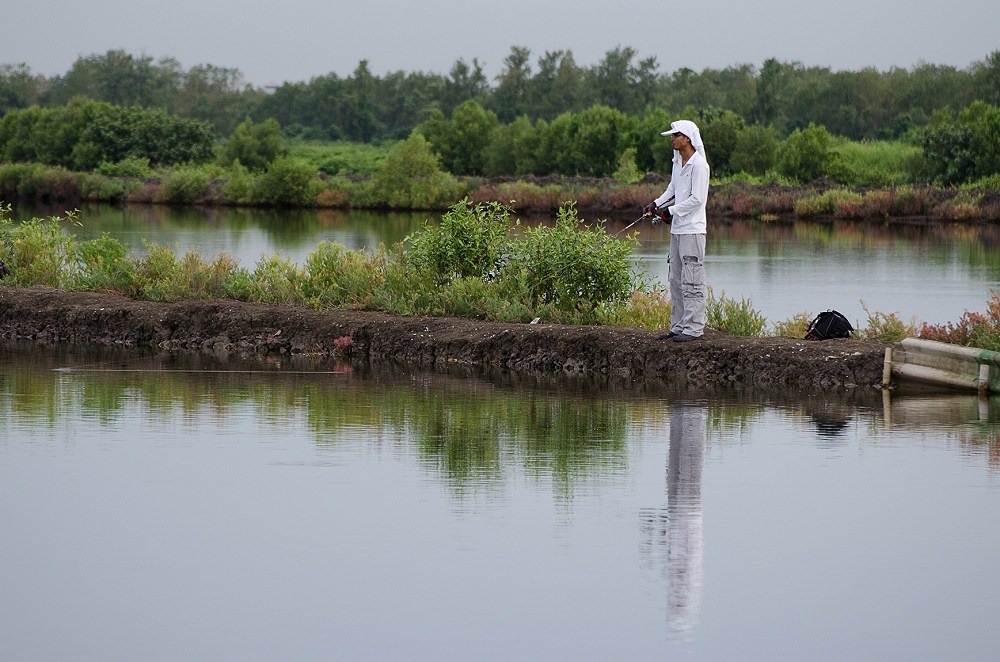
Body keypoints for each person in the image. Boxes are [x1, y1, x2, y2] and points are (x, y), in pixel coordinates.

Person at [643, 119, 710, 342]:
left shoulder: (699, 165)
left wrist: (670, 211)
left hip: (692, 231)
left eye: (675, 135)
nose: (672, 138)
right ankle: (679, 326)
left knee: (692, 280)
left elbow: (697, 200)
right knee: (676, 279)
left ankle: (694, 328)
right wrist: (655, 203)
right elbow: (673, 188)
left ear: (688, 138)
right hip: (678, 231)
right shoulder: (677, 162)